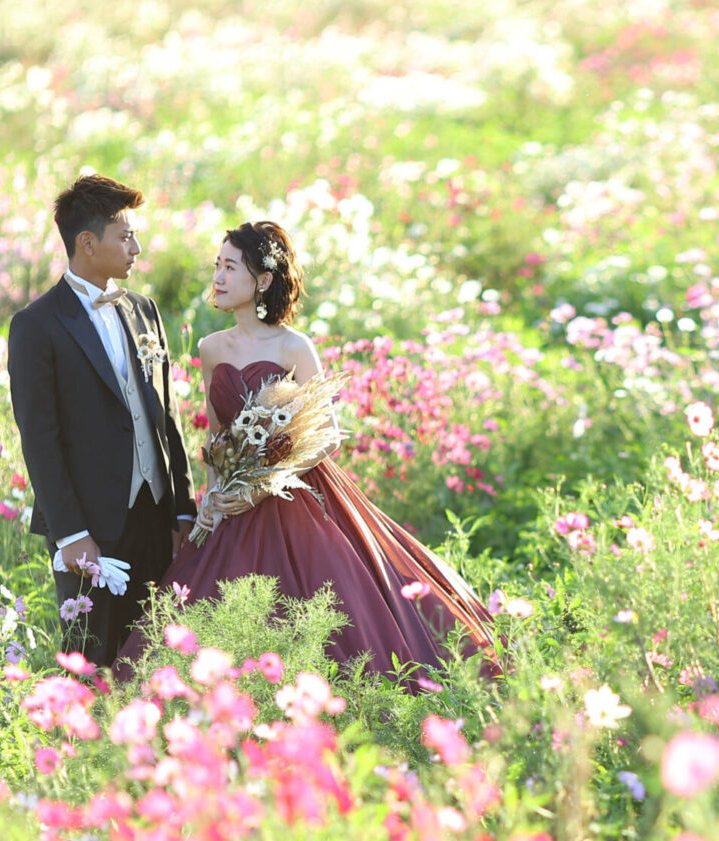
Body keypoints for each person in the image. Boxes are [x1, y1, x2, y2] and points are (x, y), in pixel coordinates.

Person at [119, 220, 497, 681]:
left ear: (262, 281)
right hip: (231, 503)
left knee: (310, 602)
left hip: (292, 497)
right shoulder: (211, 347)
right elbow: (218, 441)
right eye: (216, 265)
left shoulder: (293, 346)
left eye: (230, 267)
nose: (217, 277)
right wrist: (211, 501)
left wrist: (262, 487)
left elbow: (327, 436)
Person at [6, 173, 197, 667]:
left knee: (160, 657)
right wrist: (70, 534)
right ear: (87, 243)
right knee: (93, 661)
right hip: (91, 528)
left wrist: (182, 509)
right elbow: (39, 437)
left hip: (156, 516)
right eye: (125, 236)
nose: (137, 246)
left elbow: (166, 416)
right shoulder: (37, 325)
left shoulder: (144, 310)